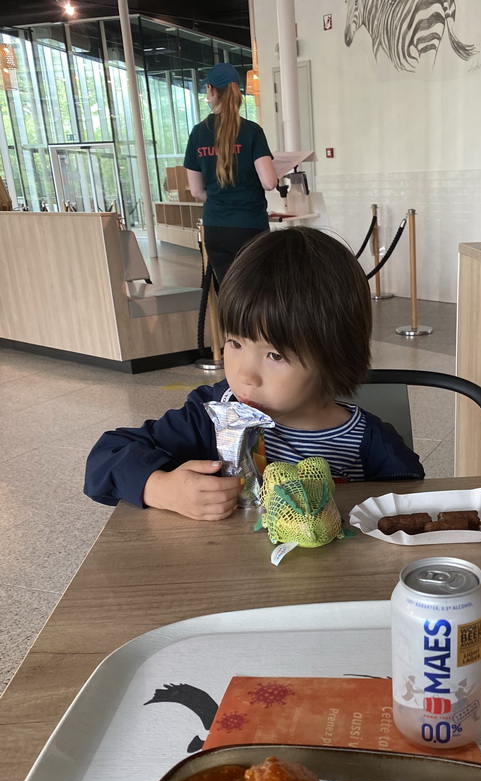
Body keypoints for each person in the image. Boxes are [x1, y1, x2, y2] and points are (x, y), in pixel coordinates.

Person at [84, 227, 425, 521]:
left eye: (274, 354)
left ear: (335, 356)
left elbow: (410, 508)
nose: (245, 375)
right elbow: (106, 457)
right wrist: (160, 488)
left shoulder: (371, 444)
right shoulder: (210, 416)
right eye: (234, 343)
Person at [184, 62, 278, 285]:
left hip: (215, 228)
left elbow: (196, 190)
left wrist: (222, 198)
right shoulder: (252, 131)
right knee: (255, 294)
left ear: (211, 90)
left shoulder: (198, 133)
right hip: (249, 226)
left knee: (229, 294)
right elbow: (269, 182)